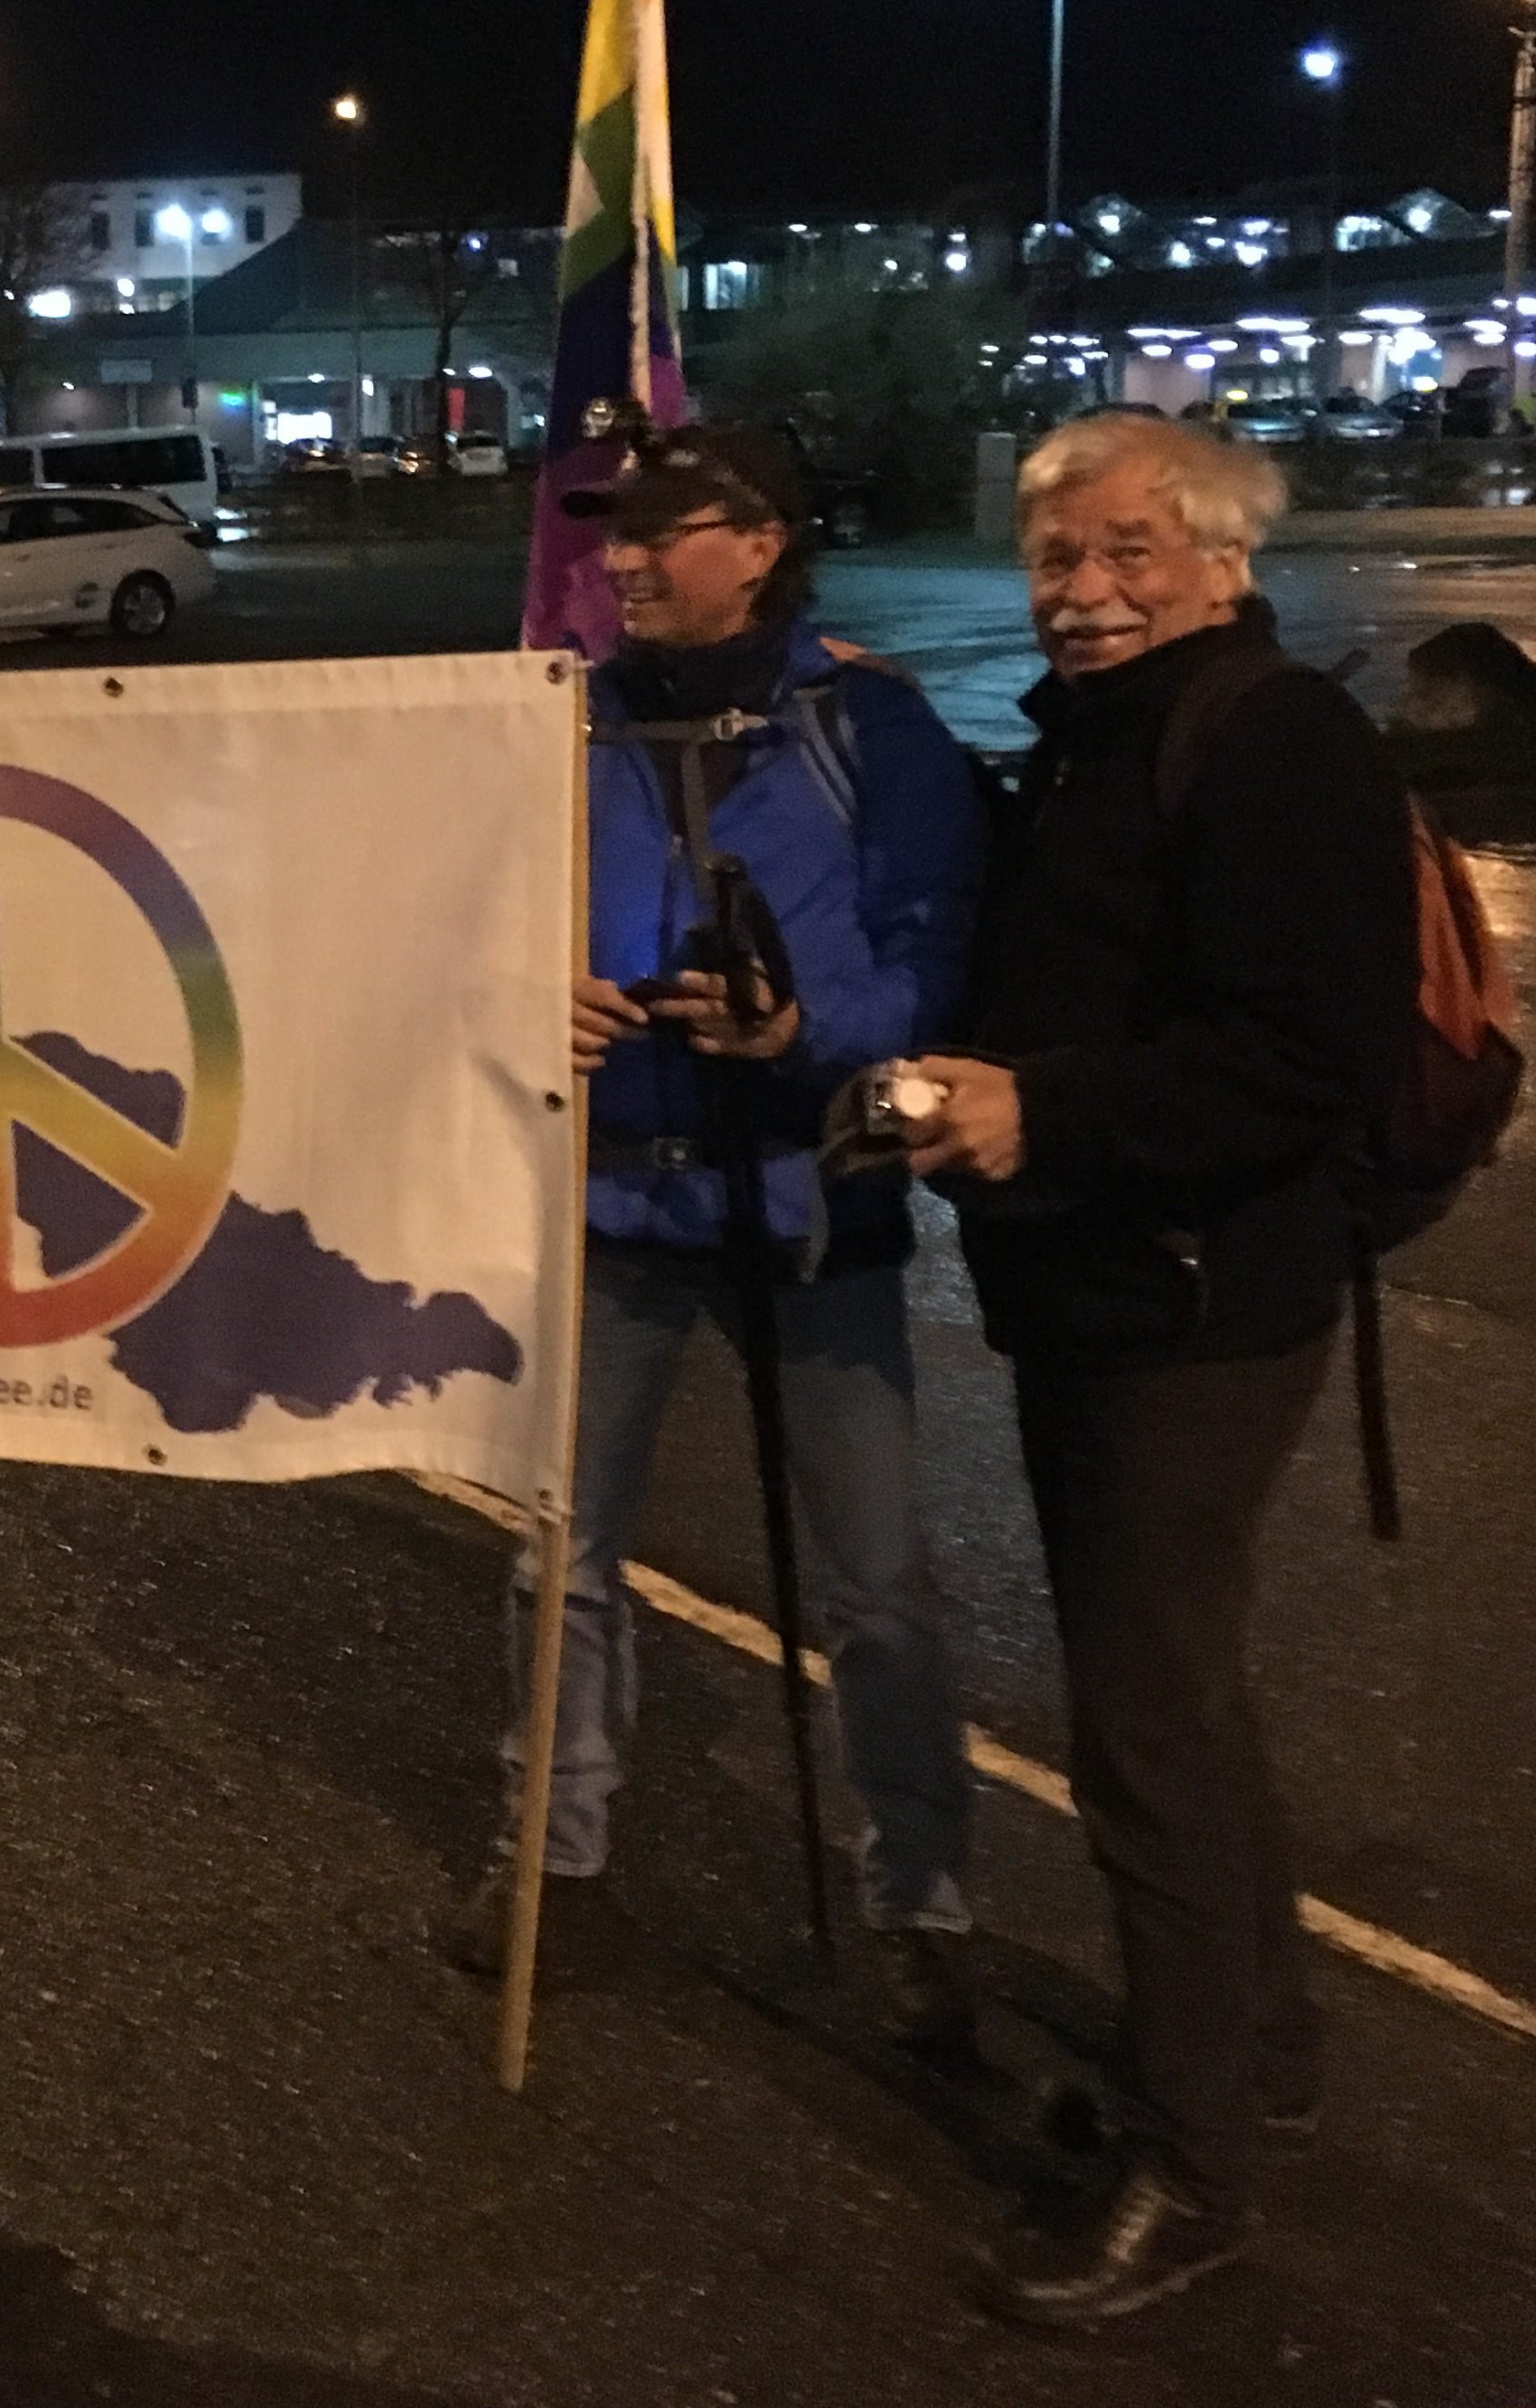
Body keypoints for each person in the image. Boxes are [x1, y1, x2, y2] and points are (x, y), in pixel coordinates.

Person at [902, 414, 1415, 2327]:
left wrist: (1051, 1112)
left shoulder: (1272, 741)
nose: (1087, 592)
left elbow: (1310, 1058)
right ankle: (1261, 2051)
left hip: (1199, 1311)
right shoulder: (1101, 737)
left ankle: (1191, 2172)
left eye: (1129, 555)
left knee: (1141, 1731)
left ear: (1219, 562)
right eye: (1057, 560)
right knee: (1185, 1700)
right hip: (1100, 1293)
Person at [445, 424, 984, 2041]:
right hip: (610, 1199)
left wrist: (808, 1023)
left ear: (762, 543)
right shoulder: (560, 725)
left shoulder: (869, 724)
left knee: (879, 1584)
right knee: (564, 1559)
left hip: (812, 1205)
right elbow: (458, 922)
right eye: (611, 534)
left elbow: (939, 959)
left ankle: (922, 1901)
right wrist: (520, 998)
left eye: (664, 531)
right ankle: (554, 1857)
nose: (619, 560)